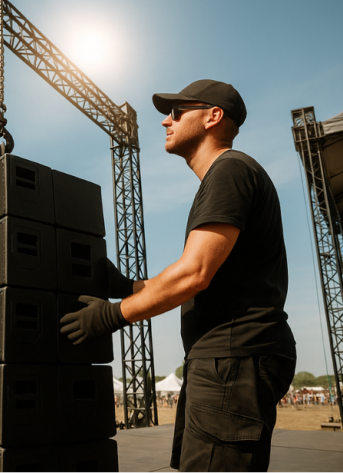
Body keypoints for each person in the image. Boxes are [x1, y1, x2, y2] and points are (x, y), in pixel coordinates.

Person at [60, 79, 297, 471]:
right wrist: (126, 285)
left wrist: (111, 315)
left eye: (177, 112)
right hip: (224, 360)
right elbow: (198, 277)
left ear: (212, 117)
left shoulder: (229, 170)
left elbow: (194, 274)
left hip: (233, 360)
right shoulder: (227, 176)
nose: (166, 122)